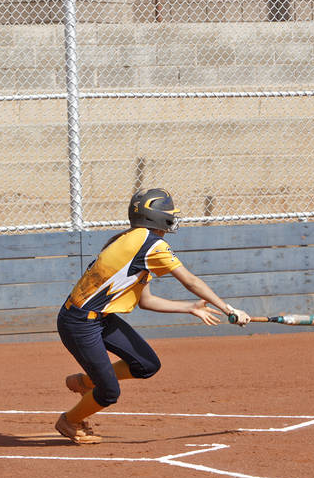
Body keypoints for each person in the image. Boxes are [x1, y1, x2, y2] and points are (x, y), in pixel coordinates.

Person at [54, 188, 252, 444]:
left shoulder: (131, 241)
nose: (172, 217)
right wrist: (229, 309)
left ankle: (86, 381)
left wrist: (190, 308)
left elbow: (145, 302)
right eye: (169, 213)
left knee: (146, 364)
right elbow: (190, 281)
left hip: (99, 320)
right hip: (79, 322)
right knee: (109, 392)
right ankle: (69, 421)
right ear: (156, 217)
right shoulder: (151, 245)